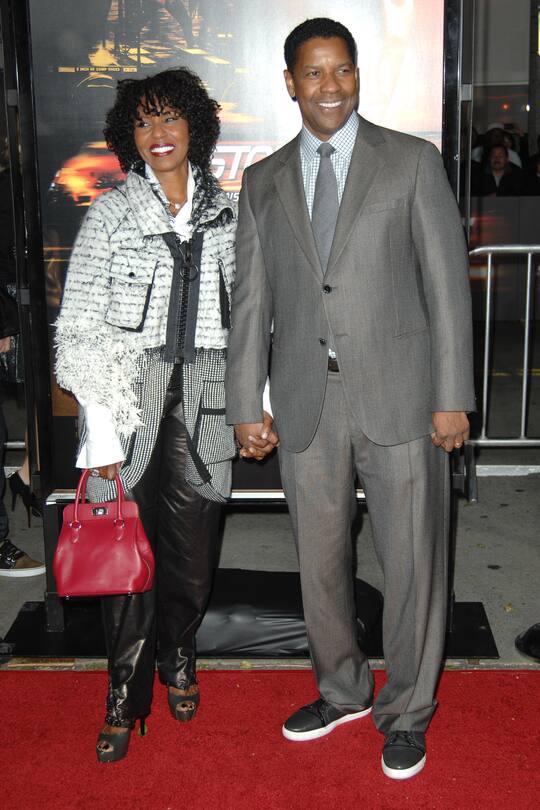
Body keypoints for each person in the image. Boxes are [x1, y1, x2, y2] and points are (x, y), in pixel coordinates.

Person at [225, 18, 475, 781]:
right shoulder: (263, 180)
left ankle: (408, 711)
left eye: (342, 70)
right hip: (307, 401)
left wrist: (453, 395)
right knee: (319, 562)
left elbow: (447, 287)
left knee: (413, 563)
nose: (329, 86)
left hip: (404, 397)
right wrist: (244, 403)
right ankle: (341, 690)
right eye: (314, 72)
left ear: (357, 75)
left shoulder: (411, 161)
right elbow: (251, 303)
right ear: (290, 82)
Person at [55, 67, 268, 763]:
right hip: (125, 396)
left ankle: (179, 657)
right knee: (124, 552)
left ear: (195, 127)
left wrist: (257, 402)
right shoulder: (111, 215)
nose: (157, 133)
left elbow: (256, 320)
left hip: (209, 396)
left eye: (169, 117)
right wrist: (102, 432)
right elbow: (81, 329)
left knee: (193, 556)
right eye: (143, 122)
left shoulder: (231, 214)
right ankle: (123, 694)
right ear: (130, 136)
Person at [0, 139, 44, 577]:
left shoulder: (21, 176)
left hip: (29, 303)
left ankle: (29, 476)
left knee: (44, 398)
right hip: (13, 308)